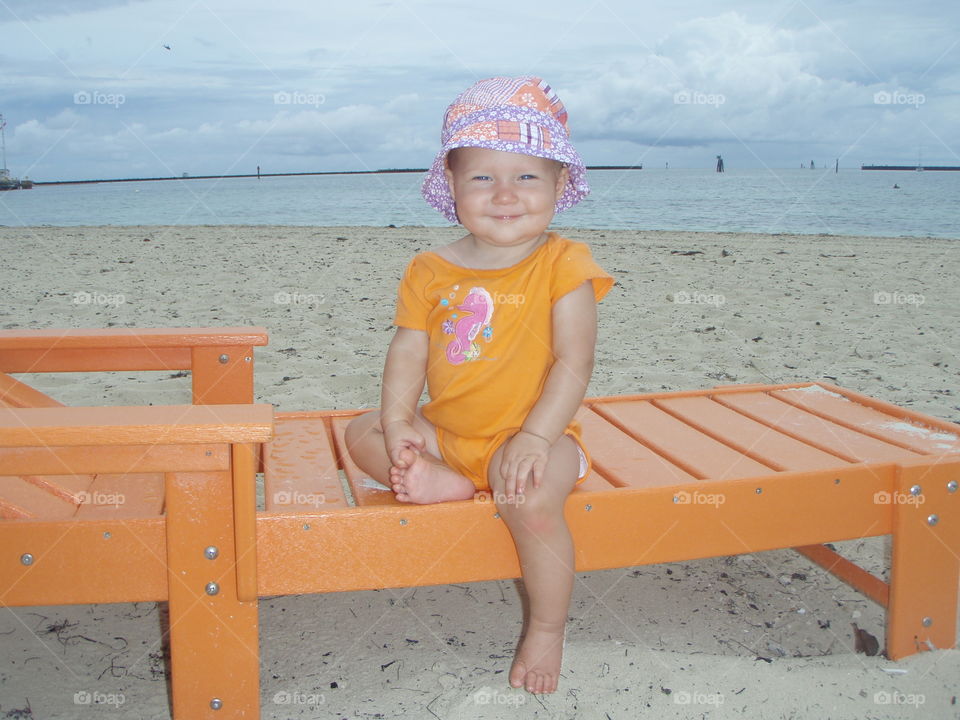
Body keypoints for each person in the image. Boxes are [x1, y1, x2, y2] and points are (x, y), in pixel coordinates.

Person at [344, 76, 613, 695]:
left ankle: (547, 625)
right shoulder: (430, 268)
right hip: (452, 434)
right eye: (482, 177)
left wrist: (537, 437)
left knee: (531, 501)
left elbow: (575, 361)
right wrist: (399, 422)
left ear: (559, 186)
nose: (504, 195)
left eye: (525, 177)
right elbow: (409, 349)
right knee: (361, 432)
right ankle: (452, 480)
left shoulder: (564, 263)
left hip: (538, 435)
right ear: (454, 189)